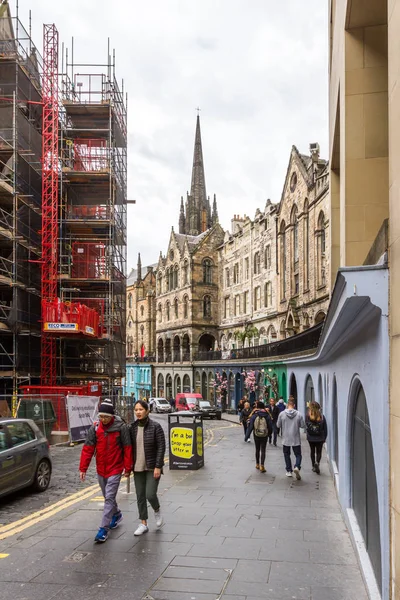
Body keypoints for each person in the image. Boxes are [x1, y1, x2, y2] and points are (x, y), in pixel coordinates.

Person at [79, 399, 132, 543]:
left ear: (112, 416)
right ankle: (117, 514)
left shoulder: (121, 427)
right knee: (106, 496)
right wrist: (83, 468)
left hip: (115, 468)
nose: (103, 419)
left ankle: (103, 529)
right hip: (100, 469)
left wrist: (128, 468)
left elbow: (127, 448)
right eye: (101, 416)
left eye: (106, 417)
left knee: (109, 498)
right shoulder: (95, 428)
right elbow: (88, 448)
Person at [129, 400, 166, 536]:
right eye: (136, 410)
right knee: (140, 496)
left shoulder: (156, 427)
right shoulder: (132, 428)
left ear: (147, 411)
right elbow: (128, 447)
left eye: (141, 409)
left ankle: (157, 510)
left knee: (150, 494)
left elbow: (161, 447)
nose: (138, 412)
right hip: (137, 466)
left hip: (151, 467)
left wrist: (158, 466)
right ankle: (143, 523)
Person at [277, 397, 305, 480]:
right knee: (298, 454)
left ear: (287, 405)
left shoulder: (282, 414)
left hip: (285, 438)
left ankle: (289, 470)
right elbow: (303, 425)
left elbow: (278, 425)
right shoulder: (299, 414)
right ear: (294, 405)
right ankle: (297, 466)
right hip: (295, 437)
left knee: (286, 454)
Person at [245, 401, 272, 473]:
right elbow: (270, 426)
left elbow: (250, 426)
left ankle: (257, 464)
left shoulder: (254, 415)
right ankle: (262, 466)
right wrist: (269, 434)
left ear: (257, 407)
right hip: (264, 434)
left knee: (257, 449)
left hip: (256, 434)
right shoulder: (267, 415)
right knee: (263, 450)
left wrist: (247, 436)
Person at [306, 401, 328, 474]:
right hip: (320, 437)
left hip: (311, 437)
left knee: (312, 451)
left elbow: (306, 426)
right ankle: (317, 462)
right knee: (319, 451)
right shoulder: (321, 416)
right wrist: (325, 437)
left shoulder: (308, 416)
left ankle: (313, 466)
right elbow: (325, 428)